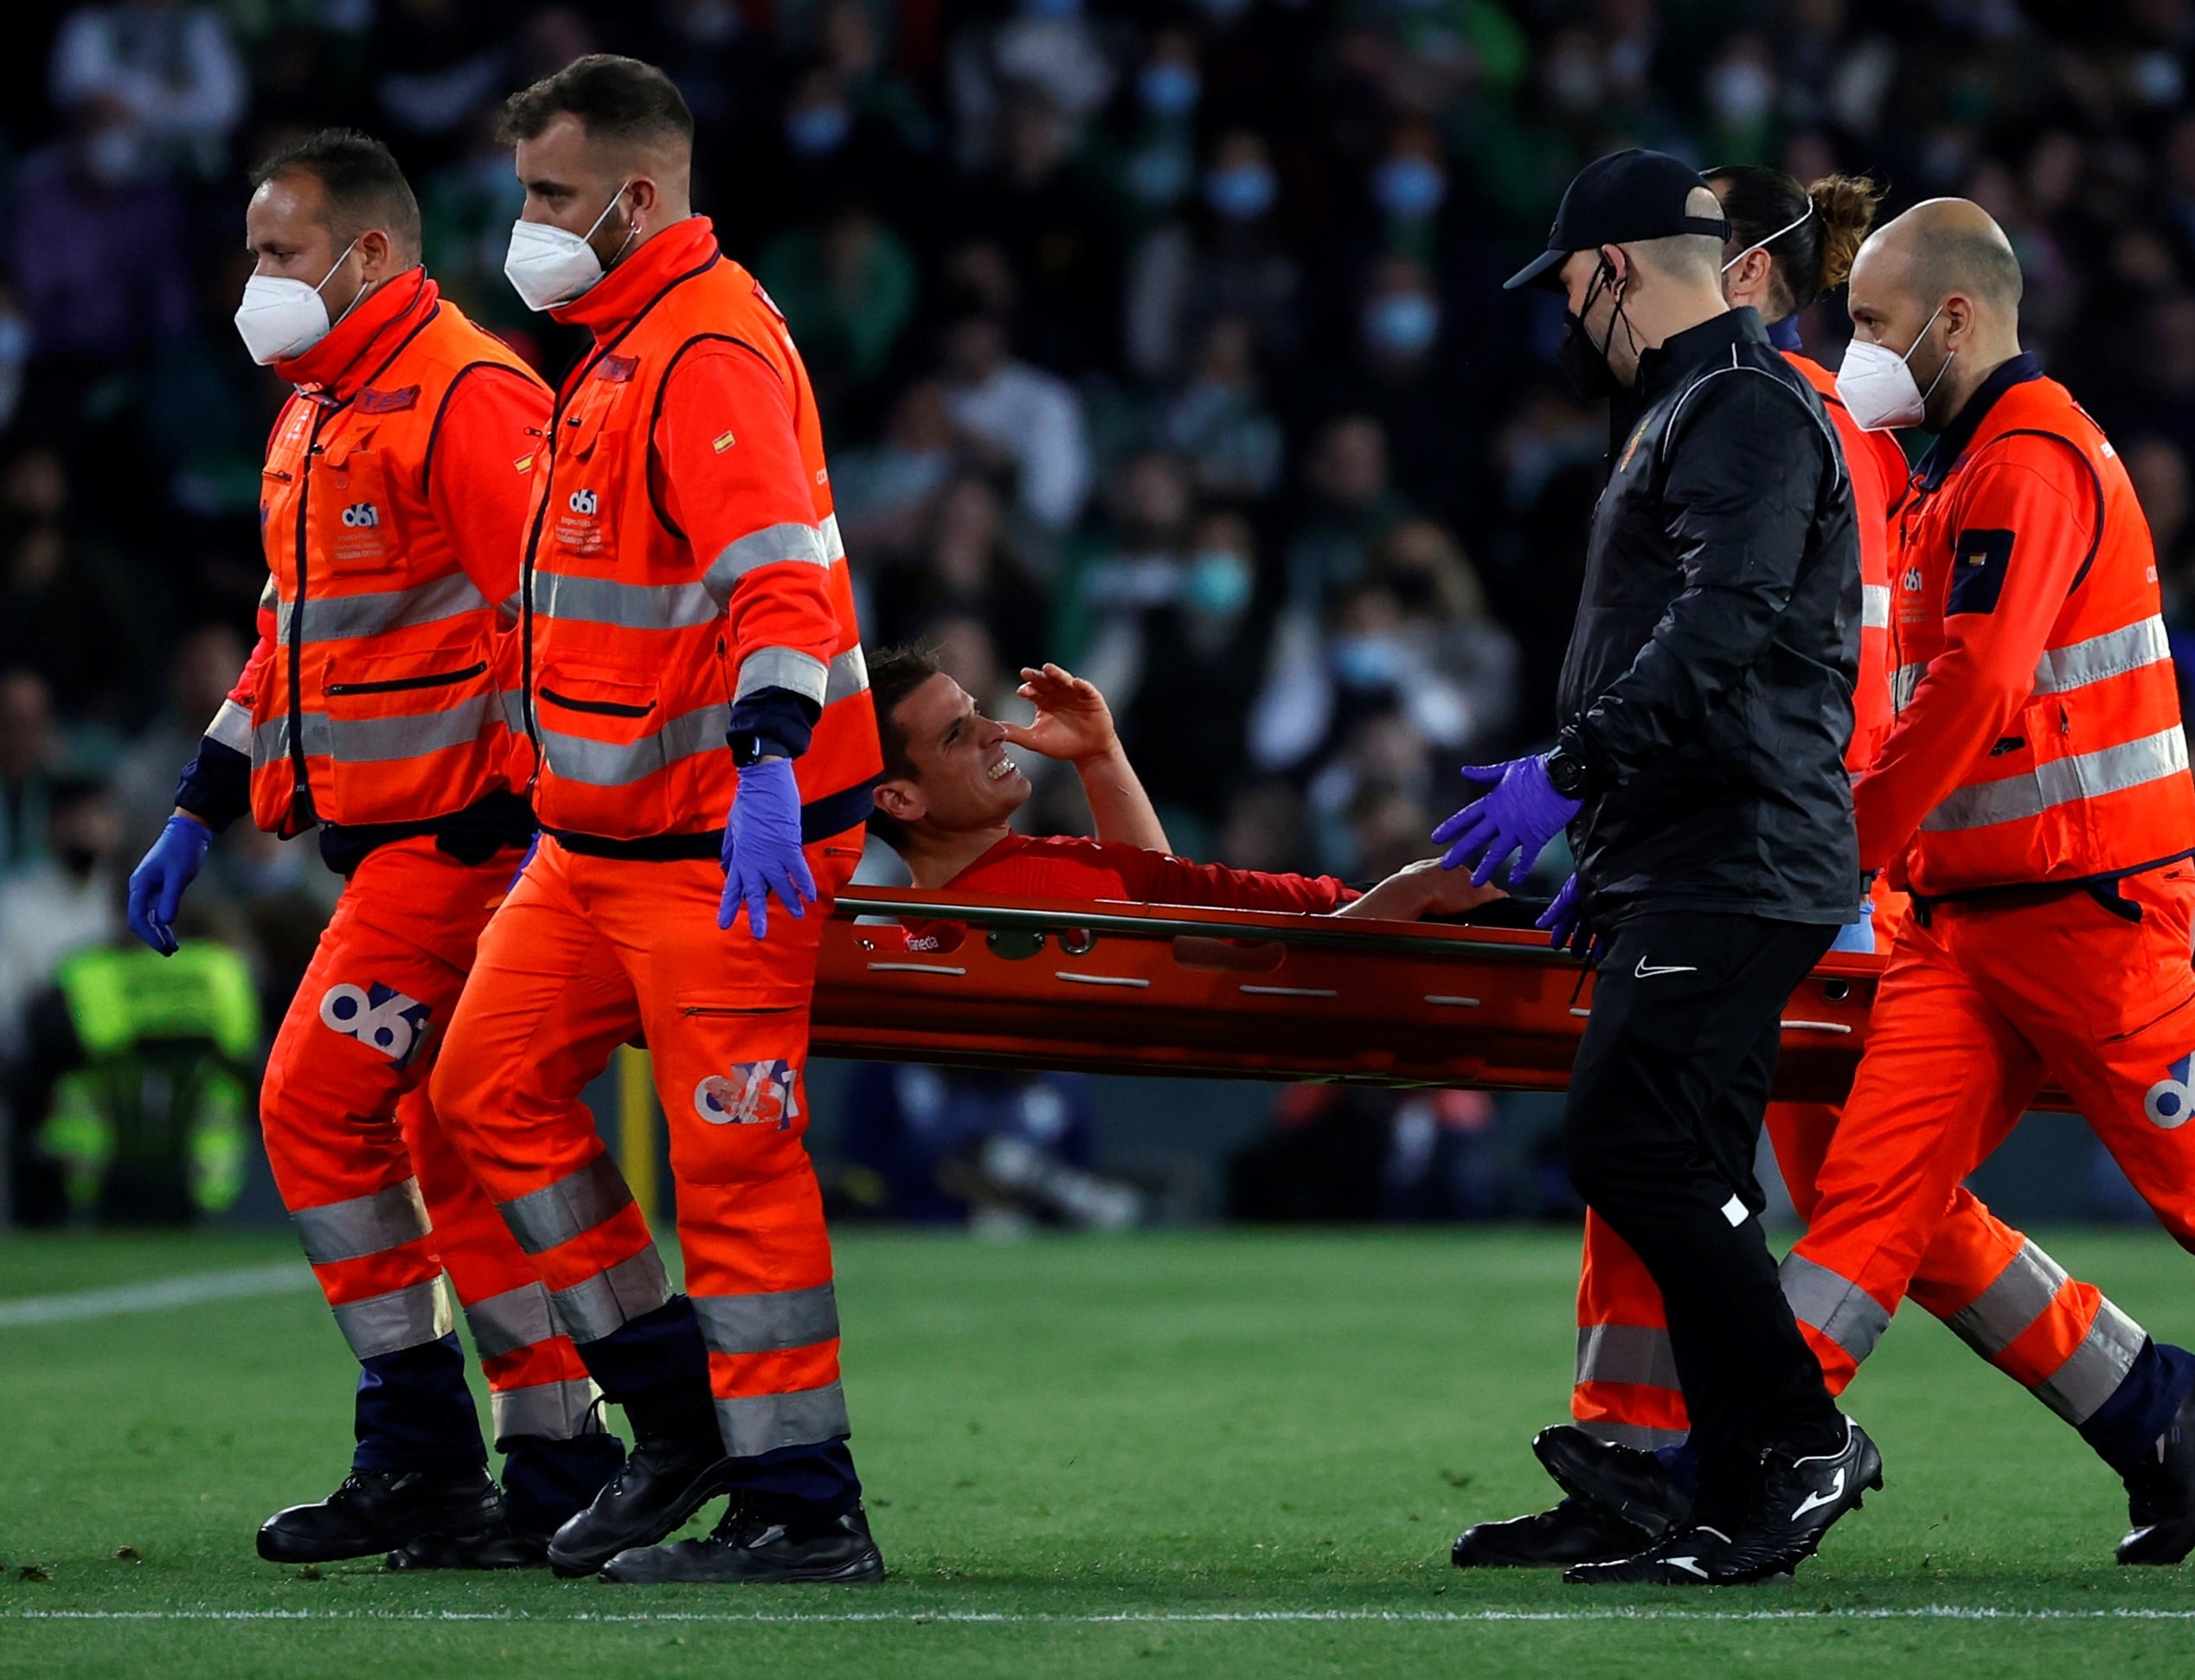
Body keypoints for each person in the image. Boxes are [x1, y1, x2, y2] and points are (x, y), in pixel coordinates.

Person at [1455, 166, 2195, 1575]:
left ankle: (1734, 1443)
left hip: (1831, 848)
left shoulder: (1800, 423)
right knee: (1787, 1176)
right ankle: (2126, 1398)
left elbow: (1857, 661)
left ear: (1740, 272)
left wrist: (1835, 844)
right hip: (1802, 837)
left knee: (1811, 1179)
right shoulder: (1776, 421)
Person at [1785, 196, 2195, 1577]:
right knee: (1867, 1195)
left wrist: (1846, 841)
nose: (1862, 356)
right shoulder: (1963, 465)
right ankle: (1763, 1452)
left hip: (2091, 917)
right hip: (1969, 919)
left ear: (1956, 317)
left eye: (1878, 326)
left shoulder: (2027, 461)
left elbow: (1978, 685)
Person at [121, 130, 623, 1568]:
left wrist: (528, 812)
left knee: (311, 1105)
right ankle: (550, 1457)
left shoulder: (463, 394)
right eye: (252, 253)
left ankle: (416, 1449)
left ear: (371, 254)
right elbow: (295, 642)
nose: (254, 282)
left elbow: (556, 608)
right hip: (397, 837)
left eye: (278, 255)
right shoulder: (321, 408)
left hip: (461, 842)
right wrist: (194, 804)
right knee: (446, 1144)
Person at [423, 55, 886, 1587]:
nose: (527, 226)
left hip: (720, 842)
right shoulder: (616, 346)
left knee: (737, 1172)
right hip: (599, 843)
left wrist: (766, 761)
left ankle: (805, 1510)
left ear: (635, 195)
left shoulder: (704, 354)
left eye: (551, 197)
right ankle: (682, 1417)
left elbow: (781, 586)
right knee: (483, 1091)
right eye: (523, 195)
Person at [1434, 149, 1873, 1587]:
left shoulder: (1734, 405)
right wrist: (1607, 834)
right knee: (1687, 1164)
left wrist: (1570, 775)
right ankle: (1742, 1474)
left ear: (1615, 267)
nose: (1569, 317)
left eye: (1571, 286)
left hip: (1732, 851)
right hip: (1701, 845)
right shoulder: (1700, 404)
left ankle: (1800, 1441)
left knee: (1627, 1142)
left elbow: (1719, 624)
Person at [865, 646, 1494, 925]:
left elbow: (1159, 894)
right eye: (956, 734)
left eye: (979, 711)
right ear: (898, 799)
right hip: (1382, 936)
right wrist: (1404, 895)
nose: (996, 731)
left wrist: (1100, 755)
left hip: (1366, 919)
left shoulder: (1012, 881)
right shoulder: (1006, 909)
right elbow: (1242, 972)